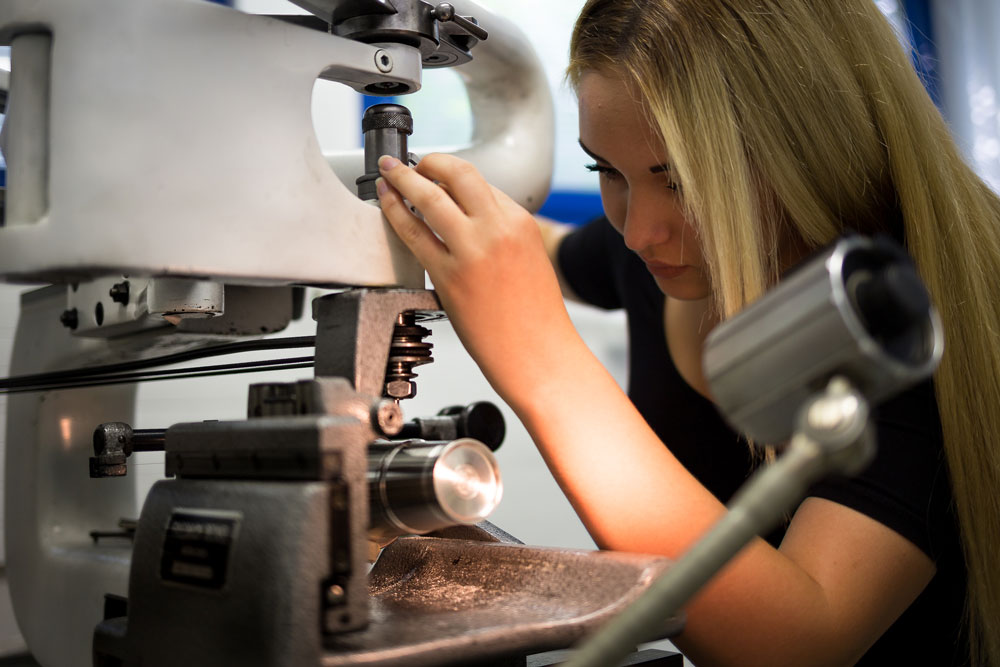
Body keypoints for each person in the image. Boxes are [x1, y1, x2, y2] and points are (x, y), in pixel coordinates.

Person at [373, 0, 1000, 664]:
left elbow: (798, 645)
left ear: (807, 151)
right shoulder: (667, 256)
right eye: (604, 171)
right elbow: (539, 255)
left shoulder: (902, 318)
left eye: (679, 179)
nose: (640, 232)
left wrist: (540, 359)